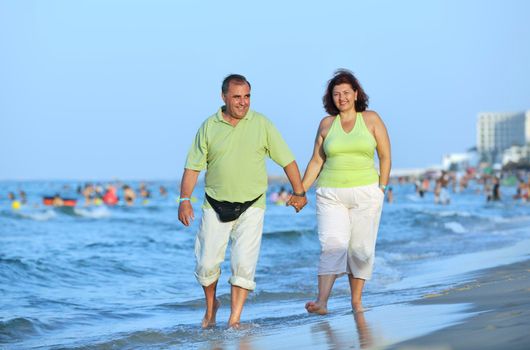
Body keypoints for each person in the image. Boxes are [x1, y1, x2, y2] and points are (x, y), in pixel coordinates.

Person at [178, 74, 307, 328]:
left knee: (243, 265)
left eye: (247, 96)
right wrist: (184, 199)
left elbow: (287, 160)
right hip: (214, 204)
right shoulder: (208, 126)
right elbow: (192, 168)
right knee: (206, 265)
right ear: (224, 97)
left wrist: (299, 192)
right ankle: (211, 306)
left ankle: (234, 319)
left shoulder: (262, 124)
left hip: (252, 205)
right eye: (237, 97)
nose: (243, 102)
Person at [294, 69, 391, 314]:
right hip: (330, 193)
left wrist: (382, 188)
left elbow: (385, 156)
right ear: (331, 98)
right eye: (336, 94)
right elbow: (316, 161)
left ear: (356, 94)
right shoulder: (326, 124)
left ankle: (356, 301)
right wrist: (301, 191)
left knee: (361, 249)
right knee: (332, 245)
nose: (342, 98)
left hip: (366, 192)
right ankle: (322, 302)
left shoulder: (371, 119)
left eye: (346, 93)